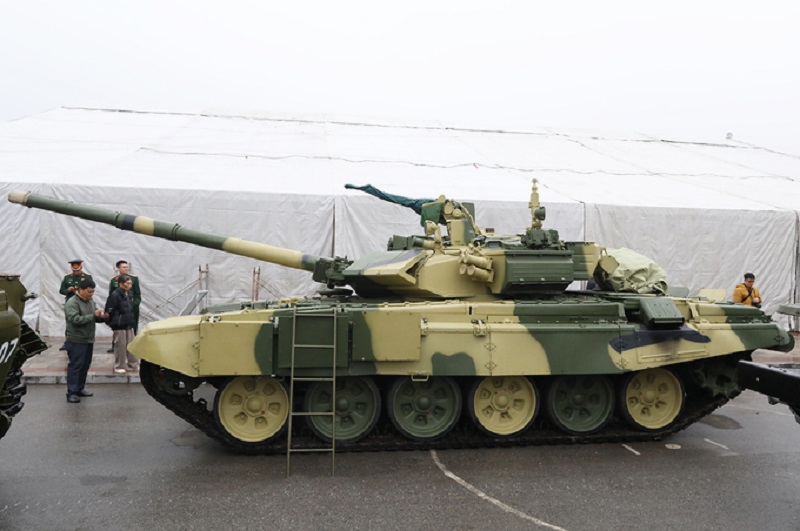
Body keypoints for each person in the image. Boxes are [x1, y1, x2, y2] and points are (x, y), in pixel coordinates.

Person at [64, 278, 107, 403]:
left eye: (92, 292)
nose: (91, 294)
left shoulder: (90, 301)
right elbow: (74, 319)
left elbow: (94, 317)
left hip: (88, 339)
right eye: (89, 292)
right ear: (80, 290)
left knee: (84, 366)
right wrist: (93, 316)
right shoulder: (72, 303)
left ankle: (80, 388)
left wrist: (102, 317)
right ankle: (71, 392)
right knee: (75, 366)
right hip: (76, 340)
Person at [104, 274, 140, 374]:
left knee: (131, 345)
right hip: (119, 325)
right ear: (121, 284)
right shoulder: (115, 295)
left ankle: (133, 364)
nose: (129, 285)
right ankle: (119, 365)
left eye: (130, 283)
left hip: (129, 323)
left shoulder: (129, 294)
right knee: (120, 346)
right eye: (127, 283)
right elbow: (109, 310)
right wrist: (112, 323)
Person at [59, 259, 93, 351]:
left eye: (77, 270)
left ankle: (85, 339)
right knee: (70, 322)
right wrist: (68, 290)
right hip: (71, 303)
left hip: (84, 302)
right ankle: (68, 341)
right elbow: (61, 290)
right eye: (74, 270)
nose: (76, 272)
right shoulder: (67, 278)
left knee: (84, 319)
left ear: (81, 268)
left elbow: (91, 288)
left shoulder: (87, 277)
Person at [107, 260, 141, 353]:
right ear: (118, 268)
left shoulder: (134, 279)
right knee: (117, 326)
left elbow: (137, 295)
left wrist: (133, 304)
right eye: (124, 267)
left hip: (132, 307)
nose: (126, 269)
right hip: (119, 309)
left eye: (127, 267)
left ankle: (131, 346)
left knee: (132, 327)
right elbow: (111, 295)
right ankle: (115, 345)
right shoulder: (114, 280)